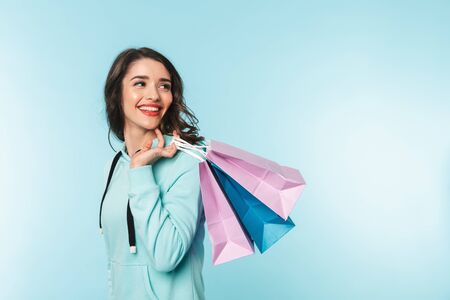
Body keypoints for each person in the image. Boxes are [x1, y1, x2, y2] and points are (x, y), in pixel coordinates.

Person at [99, 47, 207, 300]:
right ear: (117, 93)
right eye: (140, 83)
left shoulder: (189, 161)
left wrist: (140, 171)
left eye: (164, 86)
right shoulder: (113, 165)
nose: (153, 96)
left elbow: (167, 256)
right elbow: (116, 260)